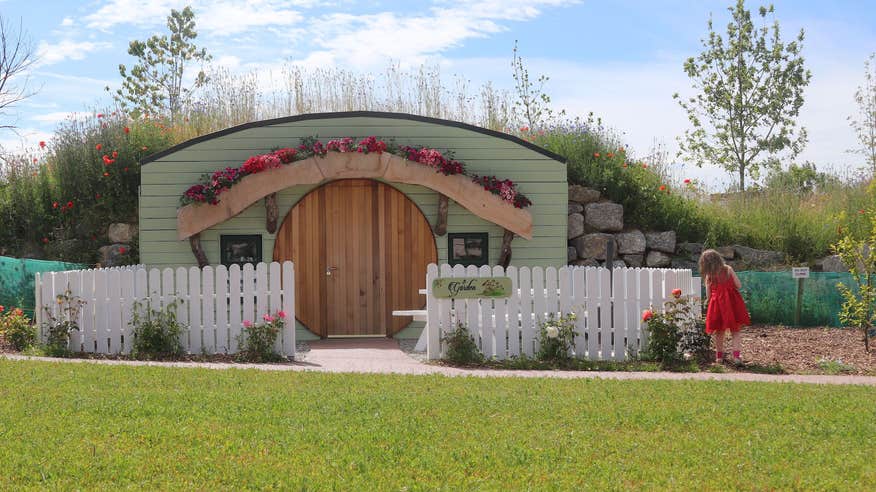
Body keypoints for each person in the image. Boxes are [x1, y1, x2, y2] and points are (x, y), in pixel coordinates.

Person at [699, 249, 751, 364]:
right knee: (735, 330)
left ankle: (719, 357)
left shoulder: (709, 276)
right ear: (718, 258)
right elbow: (738, 285)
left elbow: (708, 295)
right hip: (732, 304)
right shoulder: (728, 269)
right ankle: (736, 357)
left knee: (719, 332)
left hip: (717, 305)